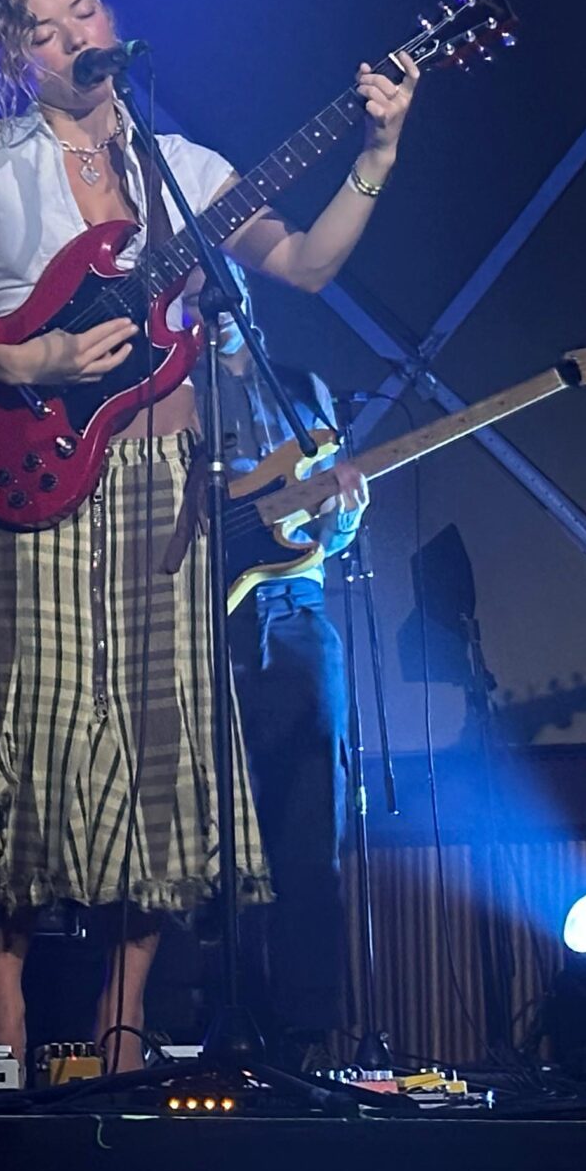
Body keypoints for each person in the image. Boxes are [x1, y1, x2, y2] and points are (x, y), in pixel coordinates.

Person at [0, 0, 416, 1070]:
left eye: (84, 8)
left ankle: (125, 1025)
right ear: (10, 53)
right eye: (45, 26)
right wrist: (32, 365)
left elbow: (310, 261)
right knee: (28, 739)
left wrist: (375, 147)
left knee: (160, 745)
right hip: (29, 475)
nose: (78, 32)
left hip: (163, 484)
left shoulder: (185, 172)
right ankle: (4, 1009)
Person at [202, 301, 364, 1067]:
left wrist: (344, 509)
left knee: (308, 824)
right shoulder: (174, 388)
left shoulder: (304, 387)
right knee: (204, 828)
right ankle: (205, 1010)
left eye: (227, 280)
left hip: (297, 609)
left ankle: (304, 1032)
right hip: (205, 620)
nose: (217, 300)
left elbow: (332, 524)